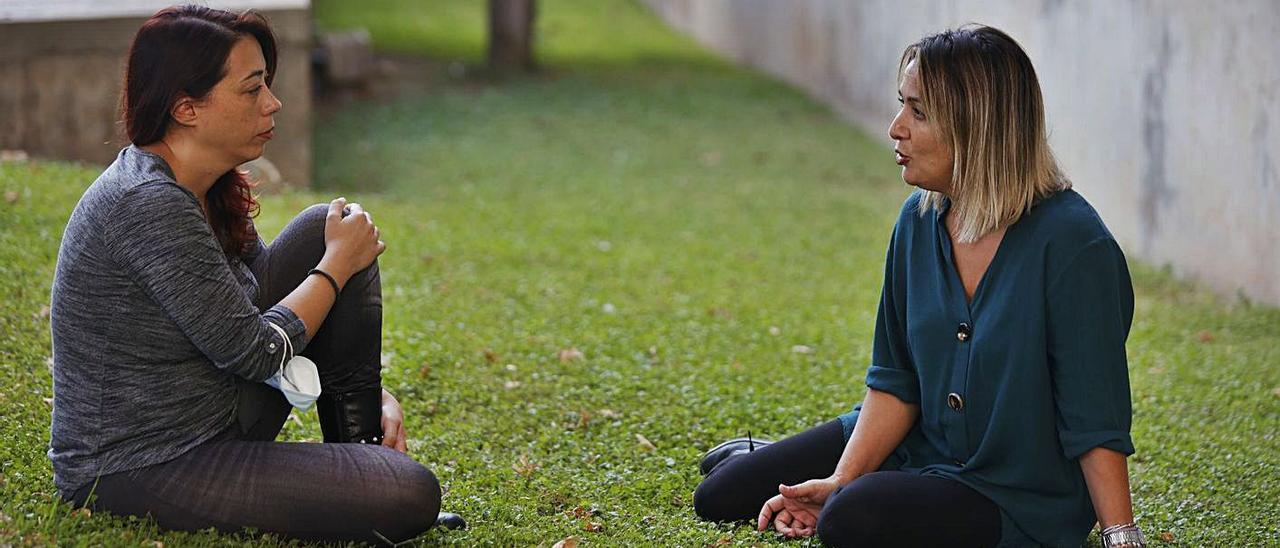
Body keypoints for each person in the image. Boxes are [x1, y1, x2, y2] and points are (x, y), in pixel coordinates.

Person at [693, 25, 1147, 548]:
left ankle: (868, 492)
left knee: (850, 519)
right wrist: (842, 477)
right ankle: (780, 465)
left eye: (919, 112)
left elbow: (1094, 417)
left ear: (978, 127)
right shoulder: (918, 220)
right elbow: (895, 380)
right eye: (901, 105)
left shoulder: (1073, 245)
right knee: (721, 495)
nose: (895, 127)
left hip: (1012, 492)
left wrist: (1119, 533)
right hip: (916, 440)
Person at [48, 5, 460, 543]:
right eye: (251, 90)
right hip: (140, 464)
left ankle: (361, 446)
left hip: (213, 408)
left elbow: (256, 303)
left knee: (328, 225)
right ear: (187, 108)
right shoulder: (146, 202)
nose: (273, 103)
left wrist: (370, 394)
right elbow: (259, 351)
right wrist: (337, 266)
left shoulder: (200, 184)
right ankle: (371, 486)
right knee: (412, 494)